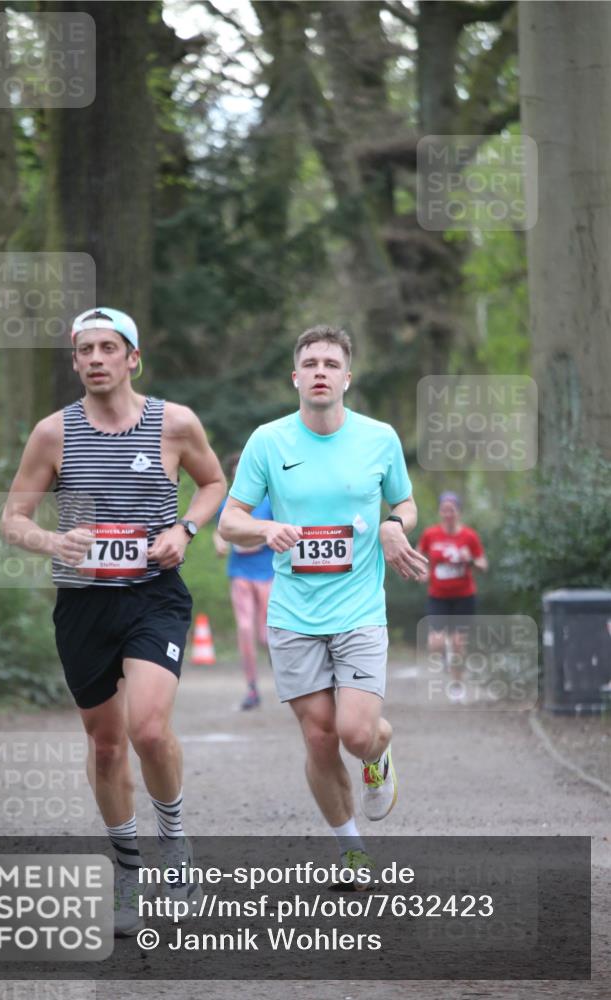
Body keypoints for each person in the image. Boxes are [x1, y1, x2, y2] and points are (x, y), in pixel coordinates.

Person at [0, 307, 226, 935]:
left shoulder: (174, 423)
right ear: (74, 362)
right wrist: (53, 543)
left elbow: (213, 484)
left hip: (154, 594)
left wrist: (185, 529)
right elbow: (12, 518)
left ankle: (175, 849)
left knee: (149, 729)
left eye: (108, 348)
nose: (96, 359)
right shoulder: (53, 433)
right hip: (83, 603)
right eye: (85, 350)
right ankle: (127, 868)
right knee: (106, 745)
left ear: (134, 359)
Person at [218, 325, 428, 874]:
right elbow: (230, 519)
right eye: (309, 362)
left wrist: (392, 526)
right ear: (295, 377)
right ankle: (350, 848)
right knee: (318, 736)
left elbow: (405, 504)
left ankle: (379, 753)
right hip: (293, 614)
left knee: (356, 733)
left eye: (330, 364)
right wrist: (263, 531)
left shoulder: (379, 438)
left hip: (358, 609)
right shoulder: (269, 441)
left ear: (346, 378)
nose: (319, 371)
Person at [213, 454, 274, 710]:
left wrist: (256, 537)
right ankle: (251, 688)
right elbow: (221, 532)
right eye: (236, 474)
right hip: (240, 573)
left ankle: (288, 679)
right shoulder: (228, 504)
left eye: (245, 473)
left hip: (268, 573)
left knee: (265, 635)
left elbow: (279, 530)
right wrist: (219, 543)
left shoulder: (271, 501)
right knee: (246, 630)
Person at [417, 492, 488, 702]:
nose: (448, 514)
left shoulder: (469, 536)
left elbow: (484, 564)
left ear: (458, 511)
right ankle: (446, 658)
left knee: (458, 643)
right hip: (438, 596)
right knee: (435, 643)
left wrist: (471, 561)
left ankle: (457, 684)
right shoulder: (431, 534)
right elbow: (417, 554)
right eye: (444, 510)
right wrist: (421, 570)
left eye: (452, 510)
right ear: (440, 511)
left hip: (464, 596)